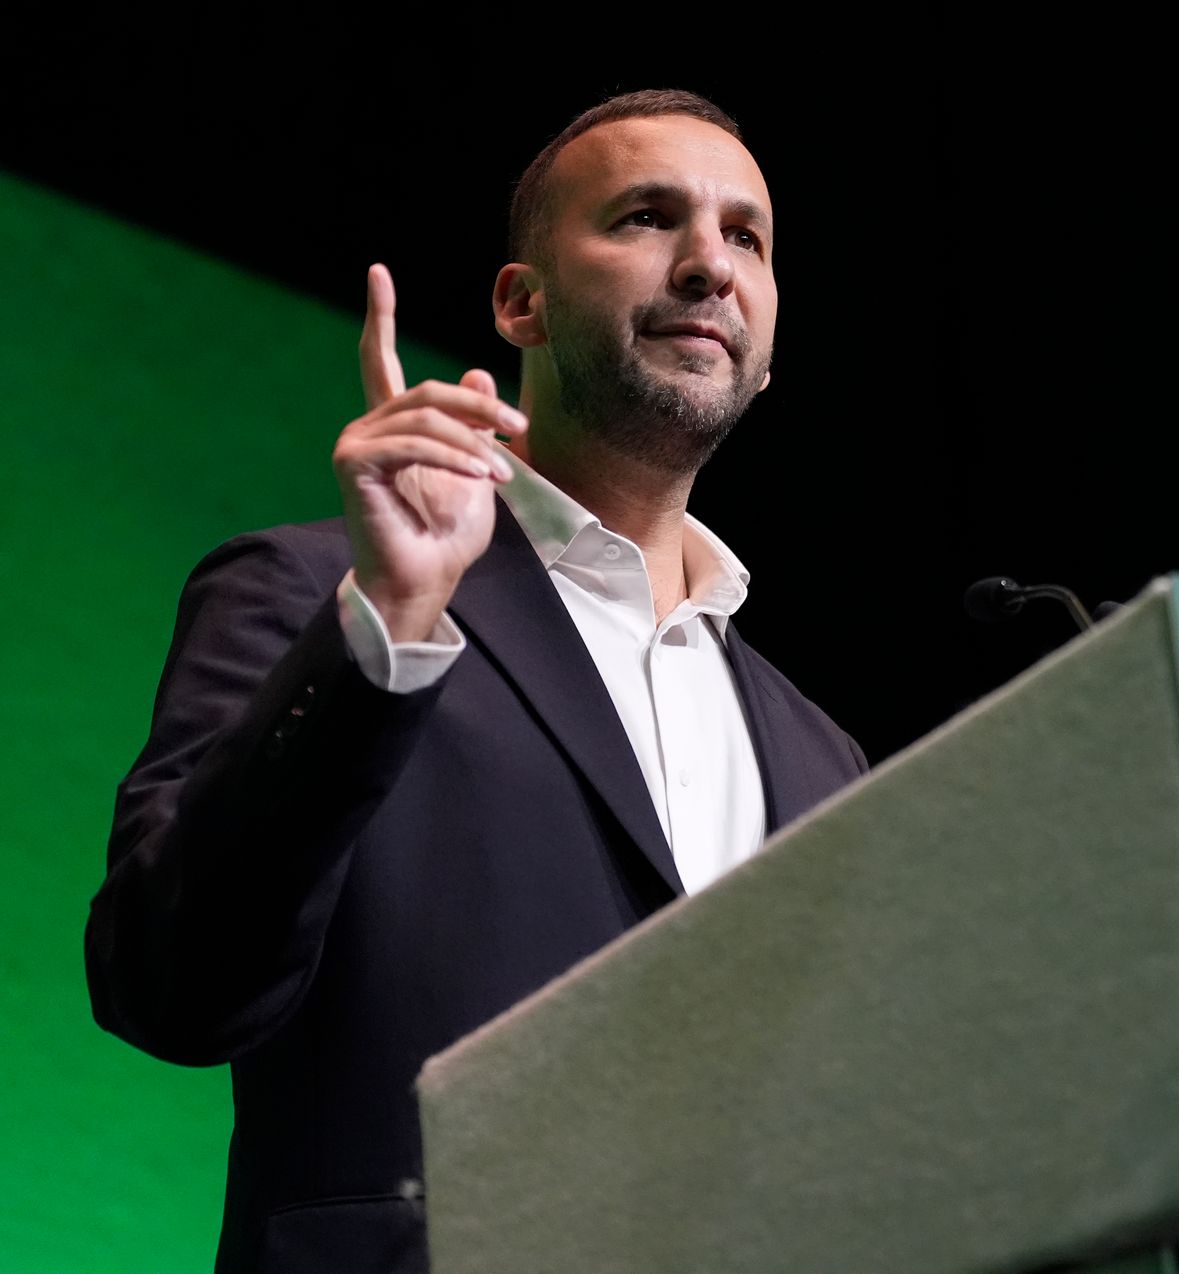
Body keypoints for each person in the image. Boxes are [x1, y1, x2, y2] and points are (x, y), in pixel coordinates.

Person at [84, 89, 866, 1274]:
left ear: (765, 350)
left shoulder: (824, 757)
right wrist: (389, 627)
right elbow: (170, 986)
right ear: (520, 303)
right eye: (647, 217)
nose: (710, 264)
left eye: (745, 236)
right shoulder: (311, 594)